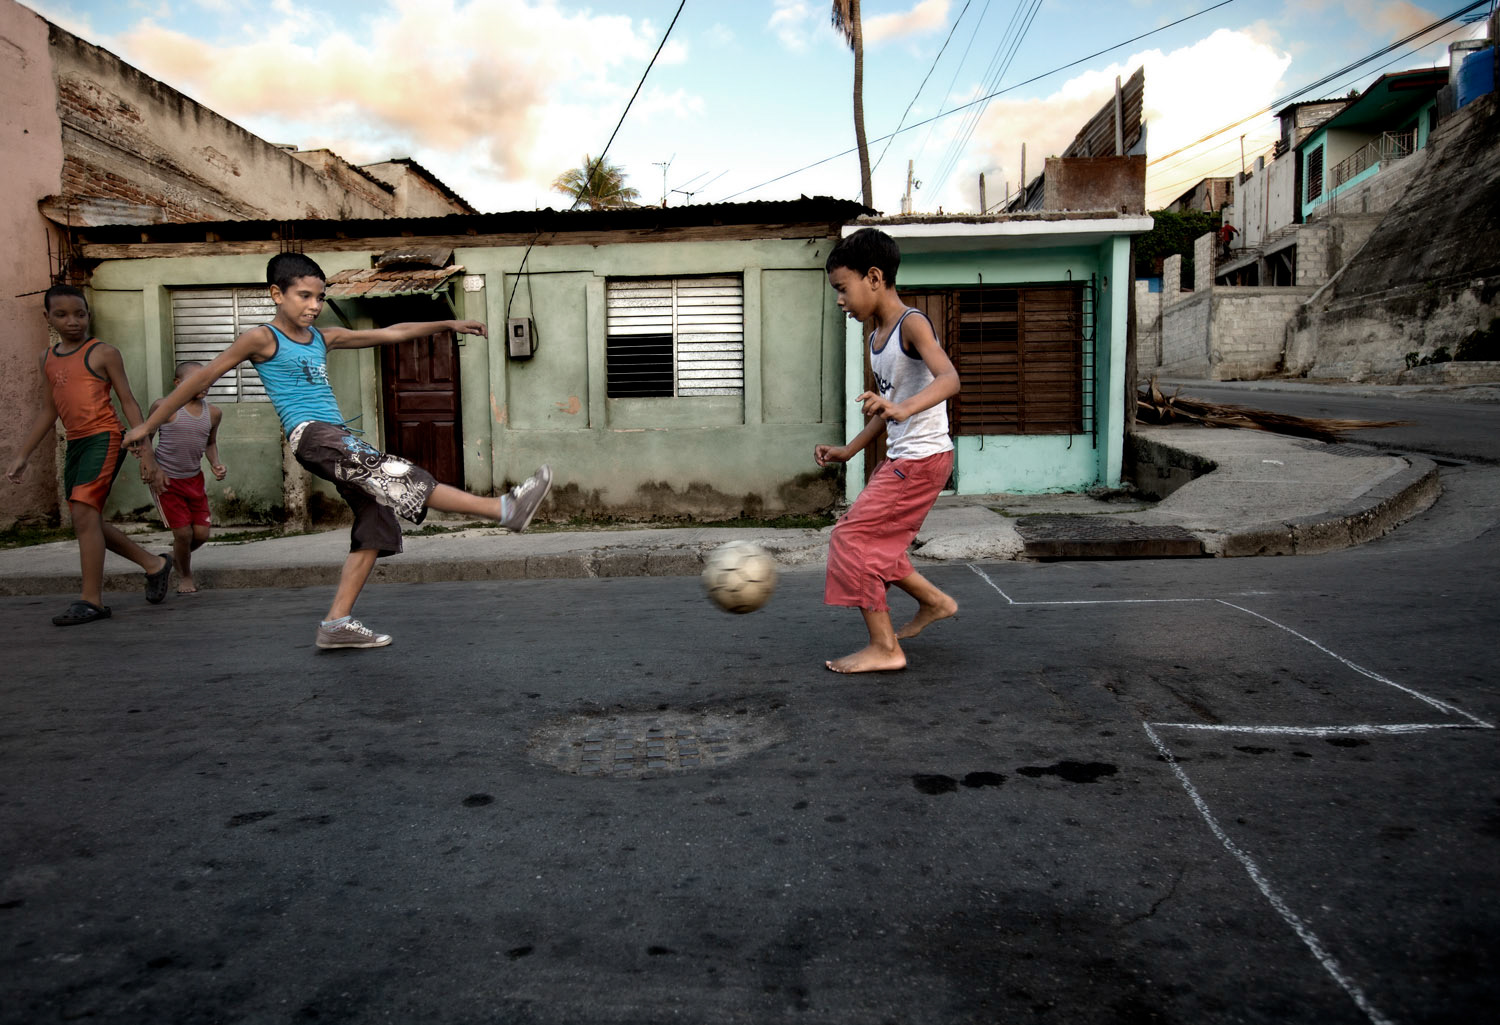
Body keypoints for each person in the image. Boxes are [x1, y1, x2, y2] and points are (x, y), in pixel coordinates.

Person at [125, 253, 552, 650]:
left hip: (337, 435)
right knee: (397, 474)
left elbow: (391, 333)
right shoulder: (260, 338)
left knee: (377, 518)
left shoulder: (321, 338)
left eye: (320, 297)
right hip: (313, 436)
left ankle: (335, 624)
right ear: (277, 294)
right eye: (304, 296)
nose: (313, 305)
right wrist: (146, 427)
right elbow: (198, 383)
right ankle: (502, 510)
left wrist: (446, 325)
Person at [813, 228, 961, 673]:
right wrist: (849, 450)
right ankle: (934, 602)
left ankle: (885, 647)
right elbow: (884, 411)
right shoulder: (876, 337)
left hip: (921, 459)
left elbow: (949, 379)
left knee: (853, 539)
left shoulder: (910, 324)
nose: (840, 300)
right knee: (879, 546)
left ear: (874, 277)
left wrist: (903, 408)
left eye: (843, 288)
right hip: (905, 459)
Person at [6, 284, 174, 625]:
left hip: (105, 438)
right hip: (77, 443)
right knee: (87, 519)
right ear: (48, 317)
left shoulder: (103, 353)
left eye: (80, 314)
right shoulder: (47, 358)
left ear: (88, 315)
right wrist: (23, 454)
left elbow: (128, 400)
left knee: (84, 515)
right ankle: (154, 564)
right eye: (62, 315)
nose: (73, 322)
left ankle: (91, 600)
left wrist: (145, 451)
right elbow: (48, 411)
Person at [147, 361, 227, 594]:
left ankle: (170, 559)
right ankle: (185, 576)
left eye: (207, 381)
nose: (205, 386)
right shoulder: (164, 407)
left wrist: (215, 463)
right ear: (178, 384)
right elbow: (145, 438)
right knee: (182, 533)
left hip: (194, 479)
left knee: (200, 535)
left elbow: (210, 442)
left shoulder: (213, 413)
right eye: (197, 381)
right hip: (167, 481)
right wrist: (151, 468)